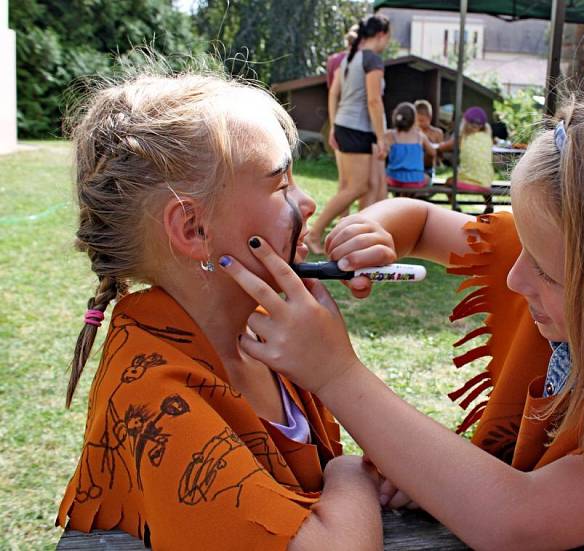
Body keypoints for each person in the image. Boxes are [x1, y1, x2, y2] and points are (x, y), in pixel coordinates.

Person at [218, 88, 584, 549]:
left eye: (546, 271)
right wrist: (379, 230)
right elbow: (419, 222)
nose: (516, 279)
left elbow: (515, 521)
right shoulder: (561, 249)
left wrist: (335, 374)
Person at [56, 69, 382, 550]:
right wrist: (351, 475)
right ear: (193, 229)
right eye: (281, 184)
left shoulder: (268, 333)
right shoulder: (149, 388)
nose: (309, 201)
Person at [309, 14, 391, 254]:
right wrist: (380, 137)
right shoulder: (372, 59)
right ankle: (314, 233)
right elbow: (374, 101)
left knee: (353, 186)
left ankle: (343, 236)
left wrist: (334, 125)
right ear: (381, 35)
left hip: (346, 125)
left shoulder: (349, 58)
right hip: (358, 128)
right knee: (356, 187)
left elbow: (334, 93)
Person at [326, 24, 359, 194]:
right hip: (356, 123)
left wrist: (333, 125)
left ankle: (344, 216)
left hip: (338, 118)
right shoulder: (361, 60)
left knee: (344, 178)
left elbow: (332, 92)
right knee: (361, 183)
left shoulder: (333, 60)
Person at [438, 106, 494, 193]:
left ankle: (455, 205)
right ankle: (489, 205)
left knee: (448, 181)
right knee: (482, 179)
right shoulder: (487, 136)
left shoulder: (463, 137)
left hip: (466, 182)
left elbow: (443, 147)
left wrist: (441, 144)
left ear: (465, 123)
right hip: (486, 183)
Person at [384, 102, 438, 191]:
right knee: (427, 179)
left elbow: (383, 152)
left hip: (394, 179)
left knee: (383, 175)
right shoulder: (419, 136)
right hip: (415, 180)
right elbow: (432, 152)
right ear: (414, 120)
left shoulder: (390, 135)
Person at [413, 99, 444, 177]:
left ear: (429, 118)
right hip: (414, 166)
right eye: (417, 121)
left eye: (422, 120)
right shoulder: (412, 133)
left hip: (429, 167)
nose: (419, 123)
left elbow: (440, 154)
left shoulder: (437, 133)